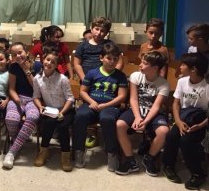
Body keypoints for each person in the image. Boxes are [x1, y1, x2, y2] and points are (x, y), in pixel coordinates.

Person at [72, 42, 128, 170]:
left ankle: (112, 153)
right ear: (101, 58)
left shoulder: (120, 76)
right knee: (80, 115)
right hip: (91, 103)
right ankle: (79, 151)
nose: (112, 62)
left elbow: (122, 96)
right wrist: (92, 102)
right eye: (109, 58)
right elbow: (83, 91)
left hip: (110, 106)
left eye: (115, 59)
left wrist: (106, 105)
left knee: (107, 119)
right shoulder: (92, 73)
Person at [115, 51, 169, 176]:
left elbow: (156, 106)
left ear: (155, 68)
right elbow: (133, 99)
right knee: (120, 125)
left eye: (144, 63)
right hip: (136, 110)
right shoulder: (136, 76)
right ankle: (129, 159)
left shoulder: (163, 83)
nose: (140, 65)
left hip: (153, 113)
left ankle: (150, 157)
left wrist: (146, 121)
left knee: (163, 131)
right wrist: (138, 117)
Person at [162, 53, 208, 190]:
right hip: (184, 117)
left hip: (201, 120)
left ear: (193, 69)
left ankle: (197, 173)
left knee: (186, 141)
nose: (180, 67)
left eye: (183, 65)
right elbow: (176, 104)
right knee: (171, 136)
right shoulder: (182, 81)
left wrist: (200, 125)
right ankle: (168, 166)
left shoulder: (207, 85)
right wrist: (178, 121)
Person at [33, 50, 76, 171]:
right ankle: (43, 151)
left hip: (66, 109)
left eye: (53, 62)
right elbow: (36, 96)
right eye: (48, 60)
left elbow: (70, 98)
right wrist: (40, 107)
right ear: (43, 60)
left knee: (62, 126)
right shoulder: (37, 78)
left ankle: (65, 154)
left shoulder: (63, 79)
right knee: (49, 123)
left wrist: (62, 112)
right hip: (50, 109)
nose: (49, 63)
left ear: (56, 65)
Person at [2, 42, 41, 169]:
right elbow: (11, 89)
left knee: (33, 117)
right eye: (14, 54)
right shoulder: (13, 67)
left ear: (27, 52)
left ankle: (12, 152)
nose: (18, 56)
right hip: (17, 98)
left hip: (33, 99)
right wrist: (17, 100)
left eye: (20, 53)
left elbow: (37, 88)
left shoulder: (37, 65)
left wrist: (26, 70)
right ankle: (19, 139)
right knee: (11, 118)